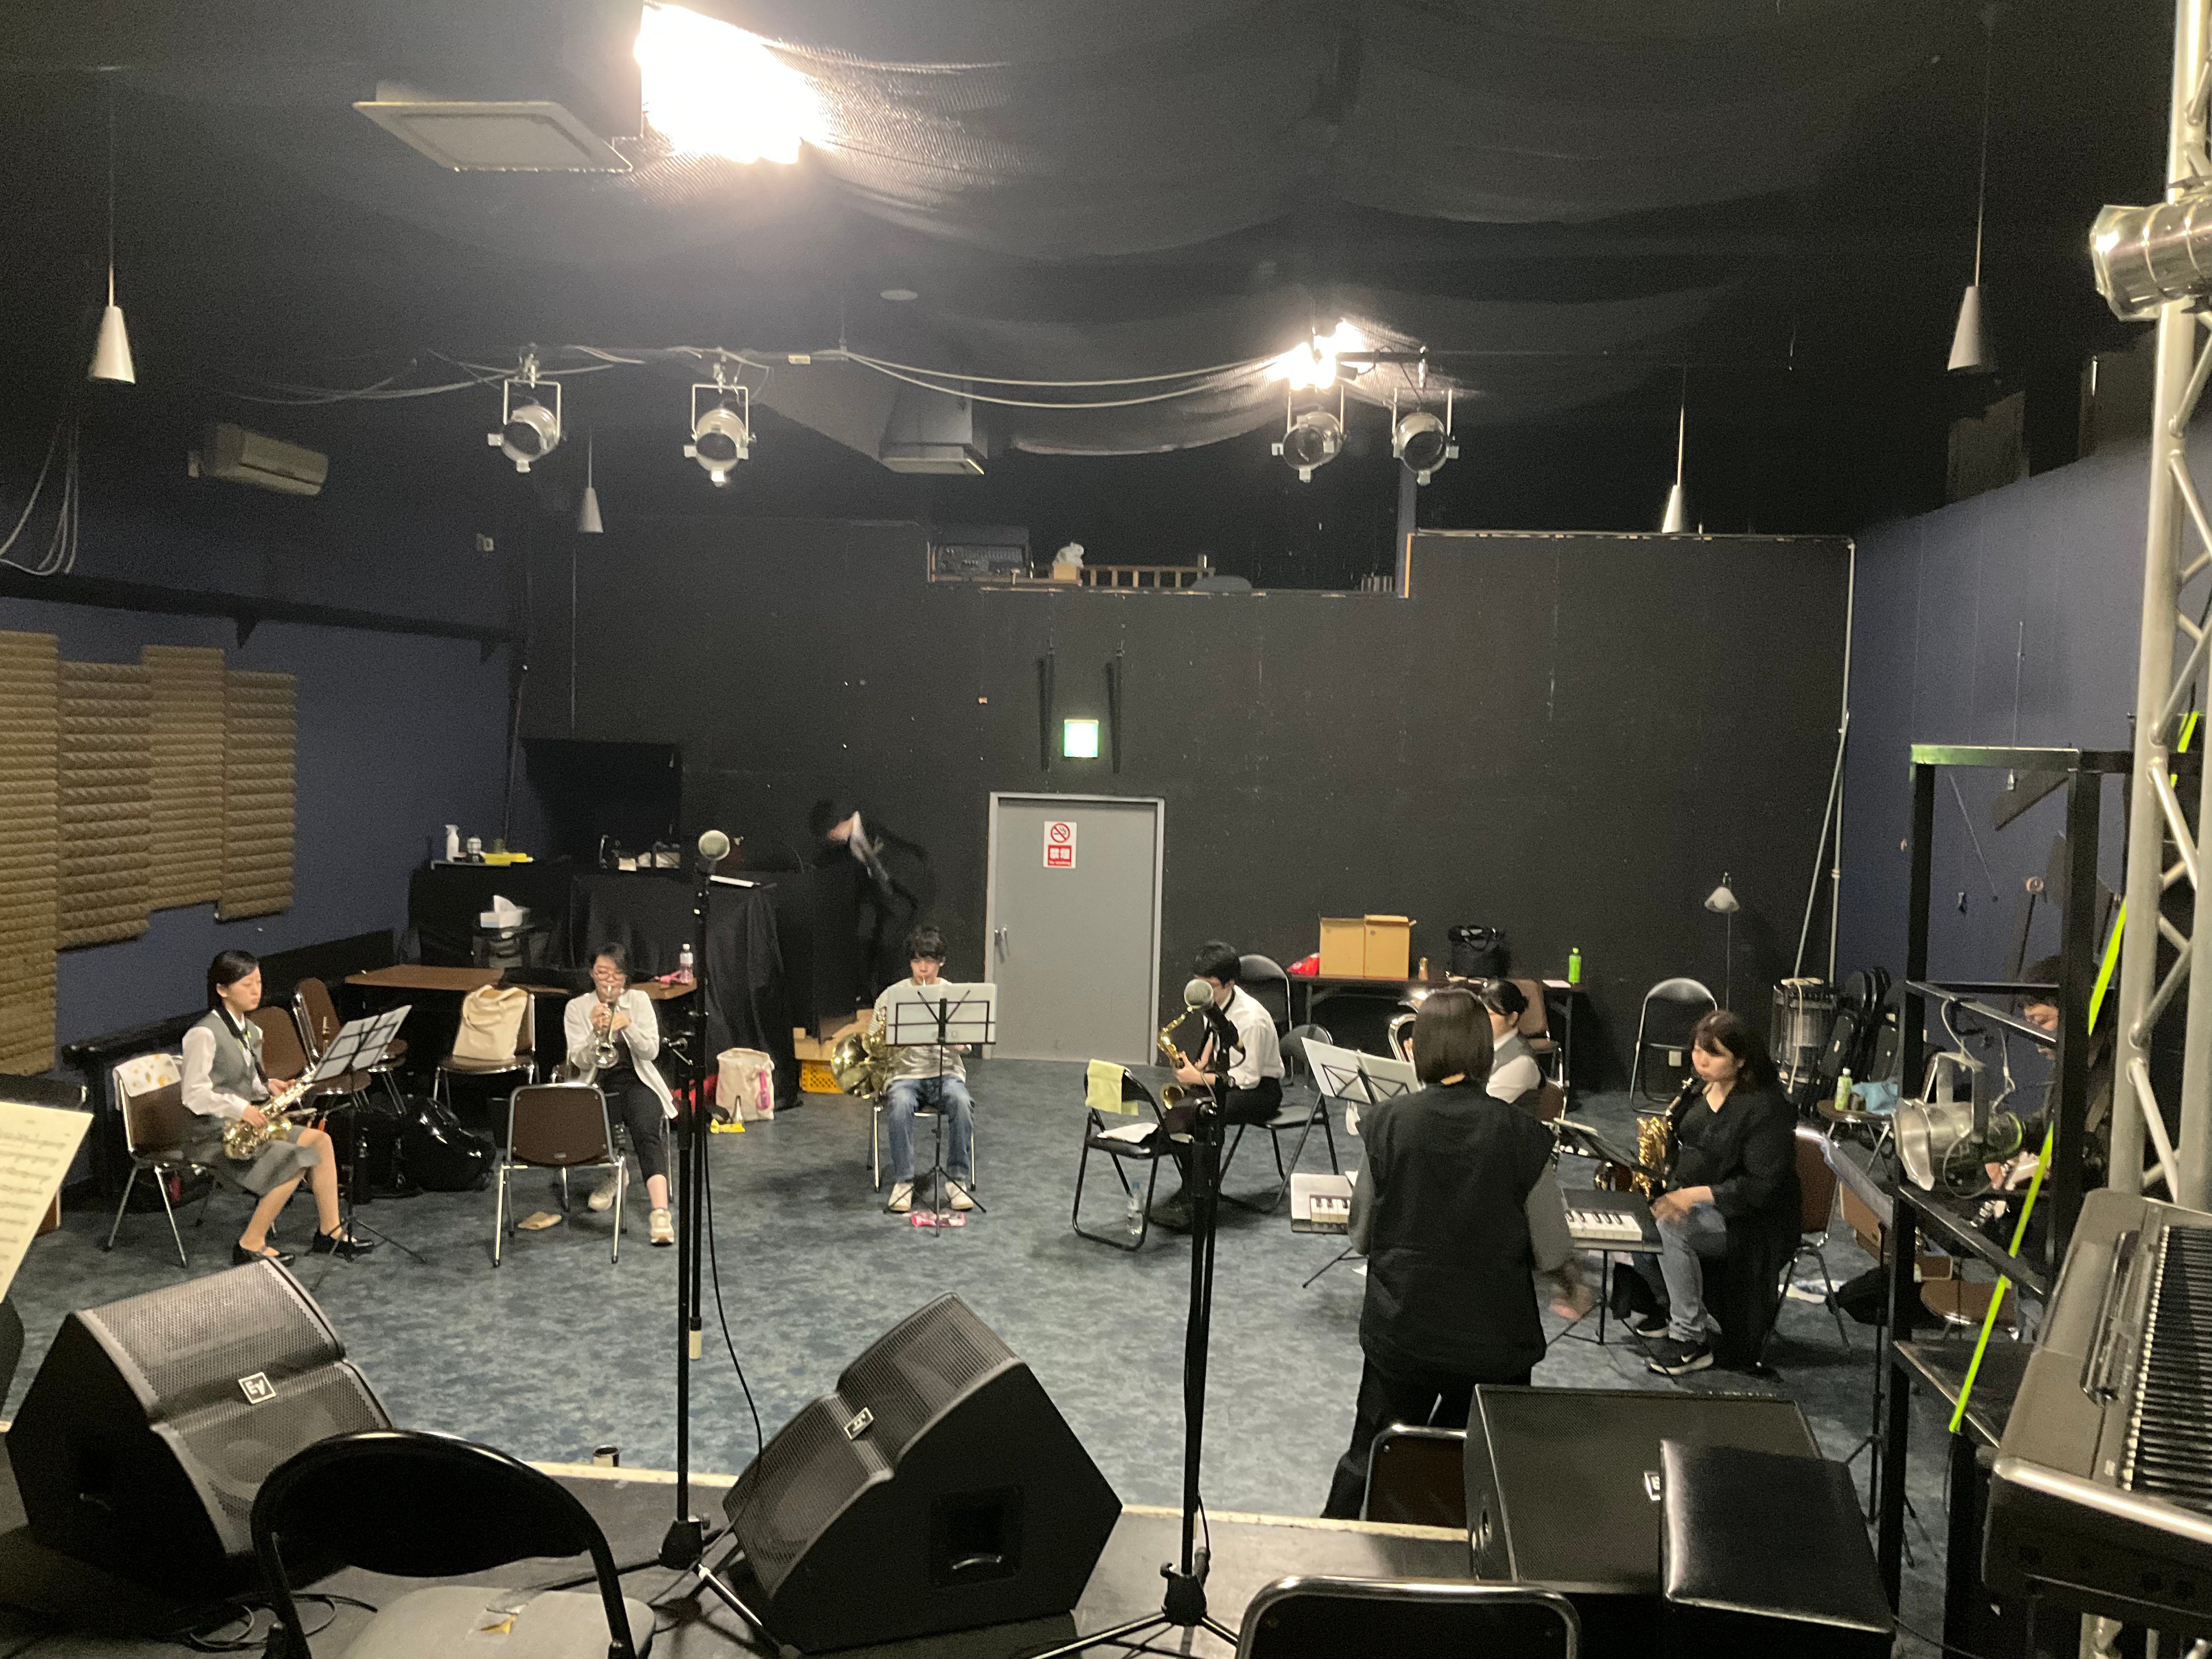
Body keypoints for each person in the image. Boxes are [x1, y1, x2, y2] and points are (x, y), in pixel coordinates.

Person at [1322, 987, 1590, 1519]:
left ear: (1419, 1048)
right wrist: (1574, 1286)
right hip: (1494, 1341)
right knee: (1486, 1465)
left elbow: (1362, 1236)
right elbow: (1551, 1245)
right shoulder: (1522, 1133)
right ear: (1483, 1050)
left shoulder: (1387, 1122)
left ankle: (1336, 1543)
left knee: (1370, 1453)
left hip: (1403, 1331)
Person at [1632, 1008, 1800, 1376]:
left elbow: (1760, 1188)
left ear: (1741, 1060)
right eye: (1697, 1049)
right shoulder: (1699, 1089)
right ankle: (1670, 1306)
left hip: (1752, 1222)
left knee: (1673, 1228)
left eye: (1714, 1053)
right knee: (1637, 1219)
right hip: (1705, 1201)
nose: (1701, 1060)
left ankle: (1690, 1340)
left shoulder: (1767, 1108)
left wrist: (1690, 1196)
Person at [181, 950, 373, 1264]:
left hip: (245, 1124)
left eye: (259, 982)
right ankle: (250, 1242)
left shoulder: (251, 1030)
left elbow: (244, 1079)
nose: (256, 991)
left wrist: (268, 1086)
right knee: (295, 1159)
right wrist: (240, 1108)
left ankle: (330, 1231)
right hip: (213, 1134)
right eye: (247, 985)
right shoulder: (203, 1034)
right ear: (222, 989)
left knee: (320, 1141)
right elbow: (193, 1095)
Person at [1153, 942, 1286, 1231]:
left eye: (1209, 986)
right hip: (1229, 1079)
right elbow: (1216, 1037)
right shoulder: (1212, 1001)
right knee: (1177, 1115)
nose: (1202, 992)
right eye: (1198, 983)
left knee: (1202, 1115)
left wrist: (1197, 1079)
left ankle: (1201, 1196)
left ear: (1230, 983)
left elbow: (1248, 1078)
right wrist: (1202, 1063)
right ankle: (1192, 1187)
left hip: (1260, 1091)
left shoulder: (1251, 1020)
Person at [563, 945, 676, 1247]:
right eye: (602, 973)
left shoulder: (639, 1001)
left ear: (626, 977)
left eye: (616, 975)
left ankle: (660, 1213)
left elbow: (651, 1052)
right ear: (592, 974)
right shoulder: (577, 1008)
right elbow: (580, 1061)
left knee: (645, 1129)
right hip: (597, 1082)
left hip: (638, 1081)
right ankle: (615, 1177)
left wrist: (628, 1025)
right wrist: (594, 1033)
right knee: (596, 1125)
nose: (609, 981)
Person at [871, 926, 975, 1215]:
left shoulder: (955, 996)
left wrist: (952, 1041)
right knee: (900, 1103)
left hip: (946, 1072)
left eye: (930, 961)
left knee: (962, 1102)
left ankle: (957, 1180)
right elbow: (872, 1043)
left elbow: (966, 1047)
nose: (923, 968)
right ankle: (904, 1182)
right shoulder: (892, 996)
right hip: (905, 1075)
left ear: (941, 962)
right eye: (917, 961)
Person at [1478, 980, 1543, 1108]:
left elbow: (1483, 1108)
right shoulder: (1482, 1045)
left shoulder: (1521, 1062)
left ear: (1512, 1018)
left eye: (1489, 1014)